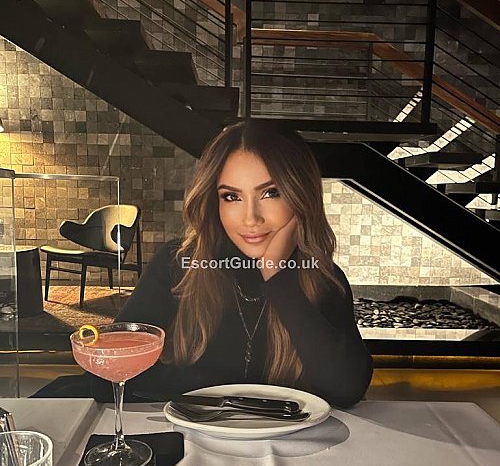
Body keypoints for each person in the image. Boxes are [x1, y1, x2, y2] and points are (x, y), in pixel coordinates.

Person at [35, 121, 373, 406]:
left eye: (271, 193)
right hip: (185, 444)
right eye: (232, 196)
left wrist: (279, 279)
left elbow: (346, 391)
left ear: (301, 196)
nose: (251, 218)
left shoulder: (323, 278)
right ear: (214, 201)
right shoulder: (176, 265)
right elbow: (114, 372)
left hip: (291, 454)